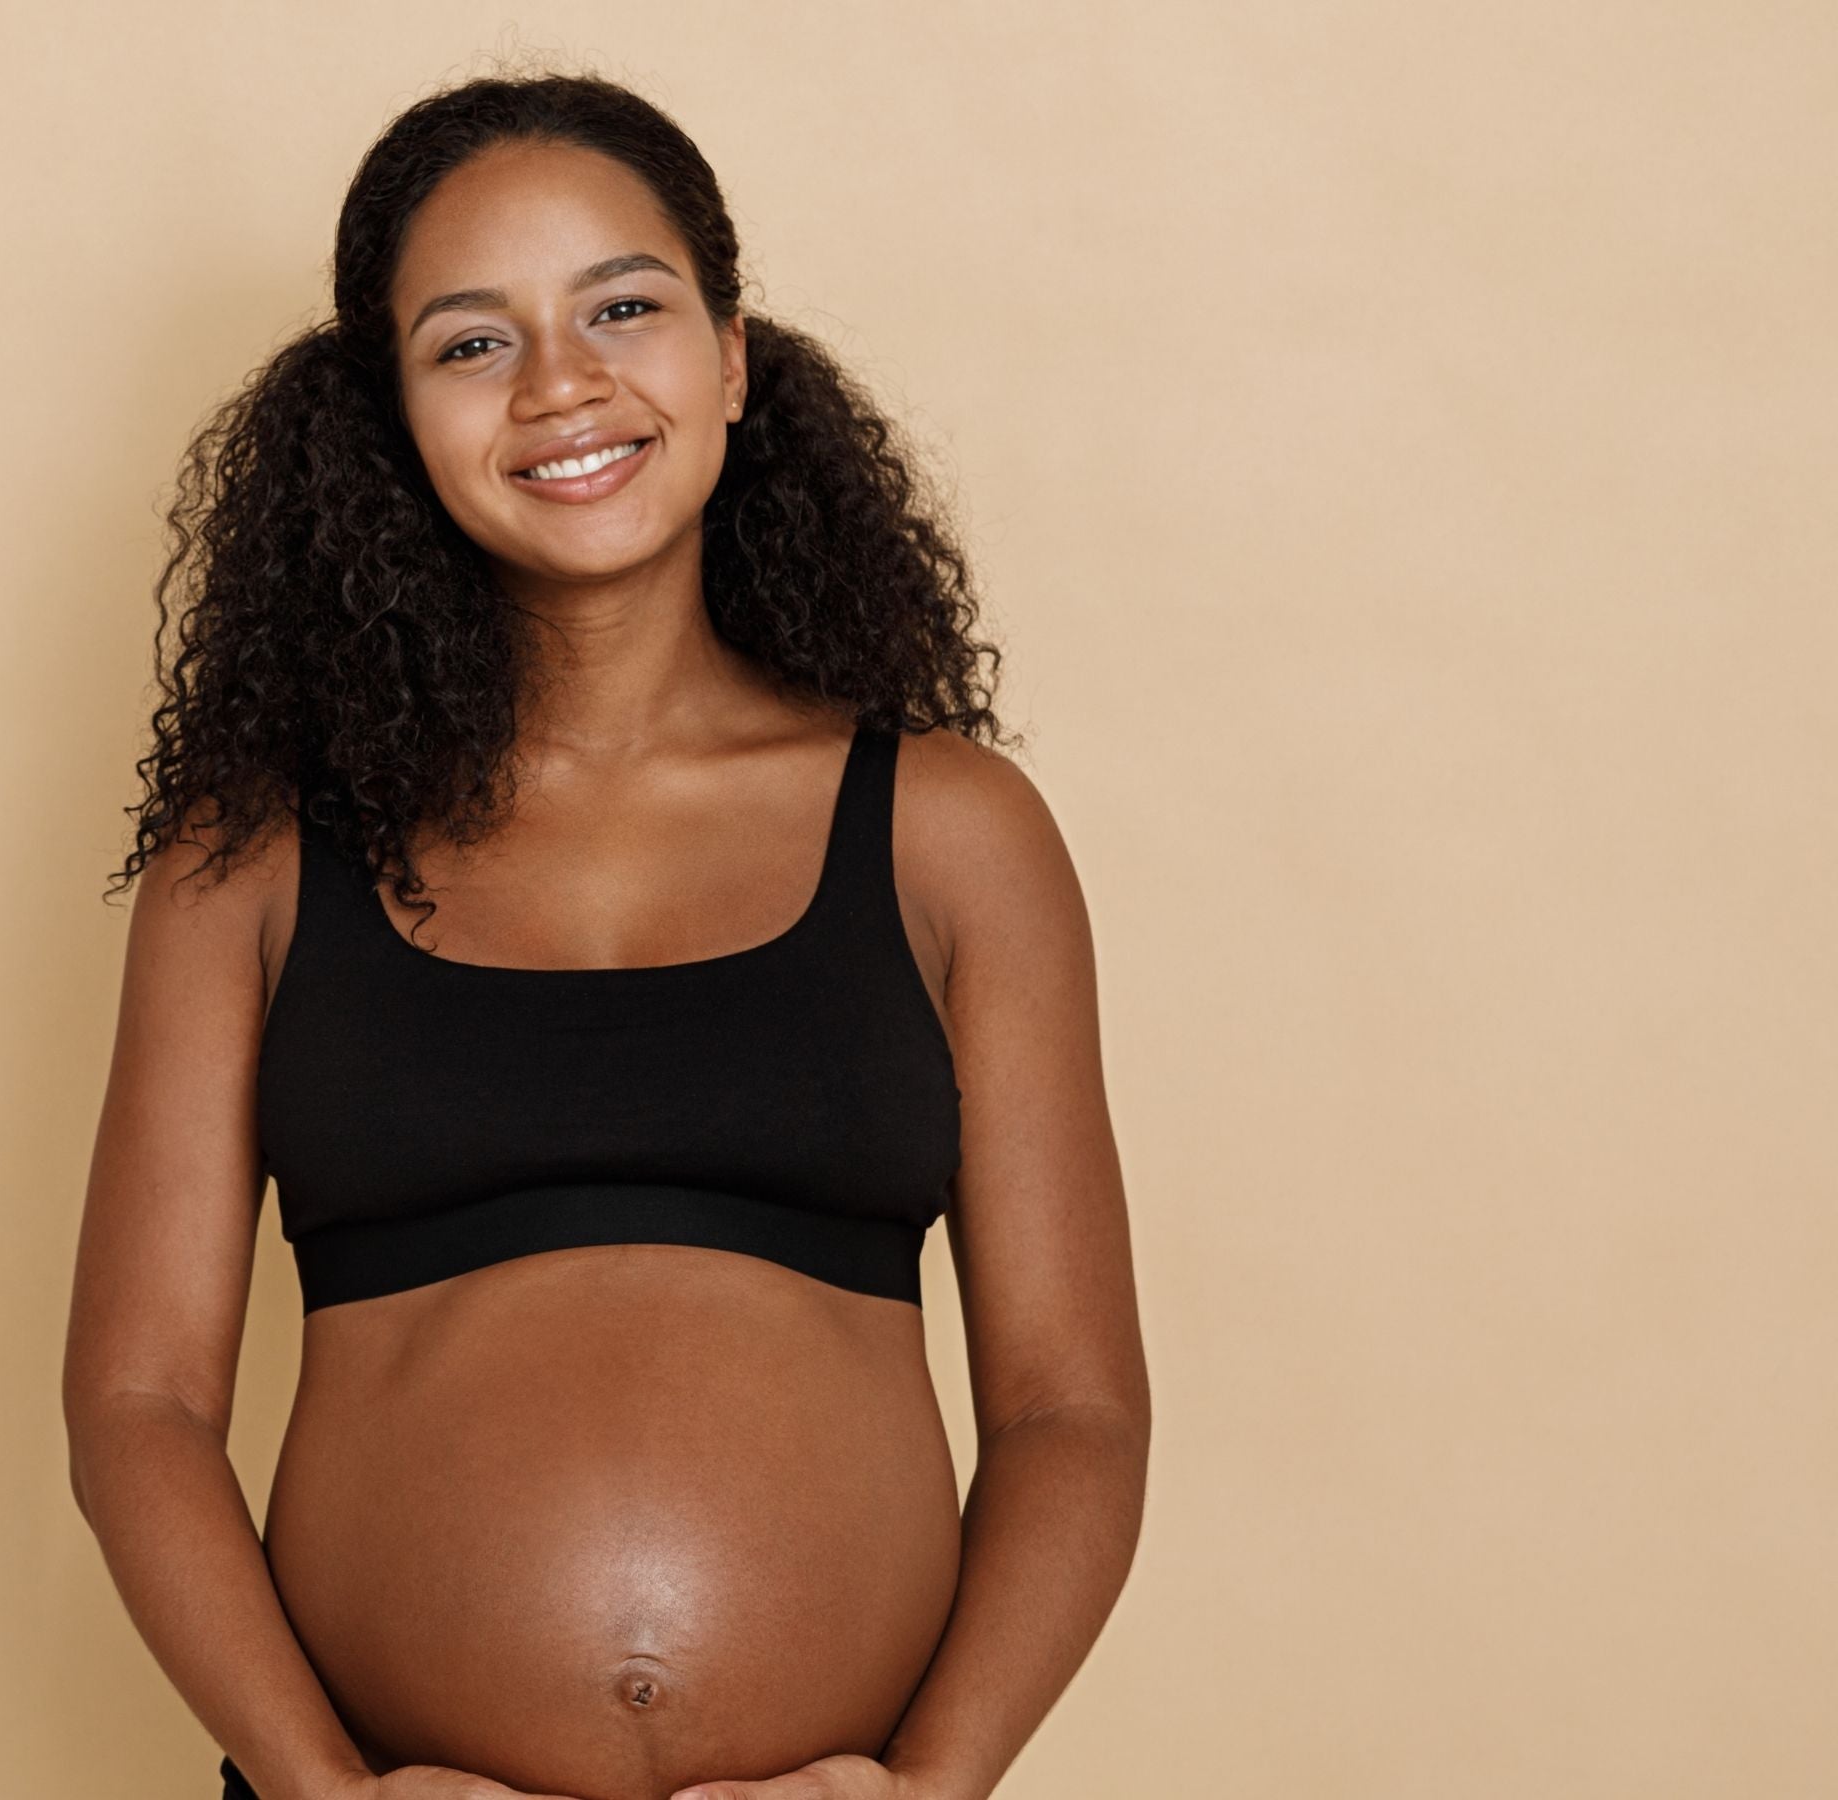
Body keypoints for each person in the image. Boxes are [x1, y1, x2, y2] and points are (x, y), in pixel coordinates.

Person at [59, 72, 1149, 1800]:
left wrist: (932, 1791)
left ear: (730, 355)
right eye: (472, 342)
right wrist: (317, 1794)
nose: (564, 383)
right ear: (389, 418)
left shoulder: (951, 835)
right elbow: (138, 1409)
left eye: (624, 308)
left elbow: (1072, 1412)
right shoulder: (254, 859)